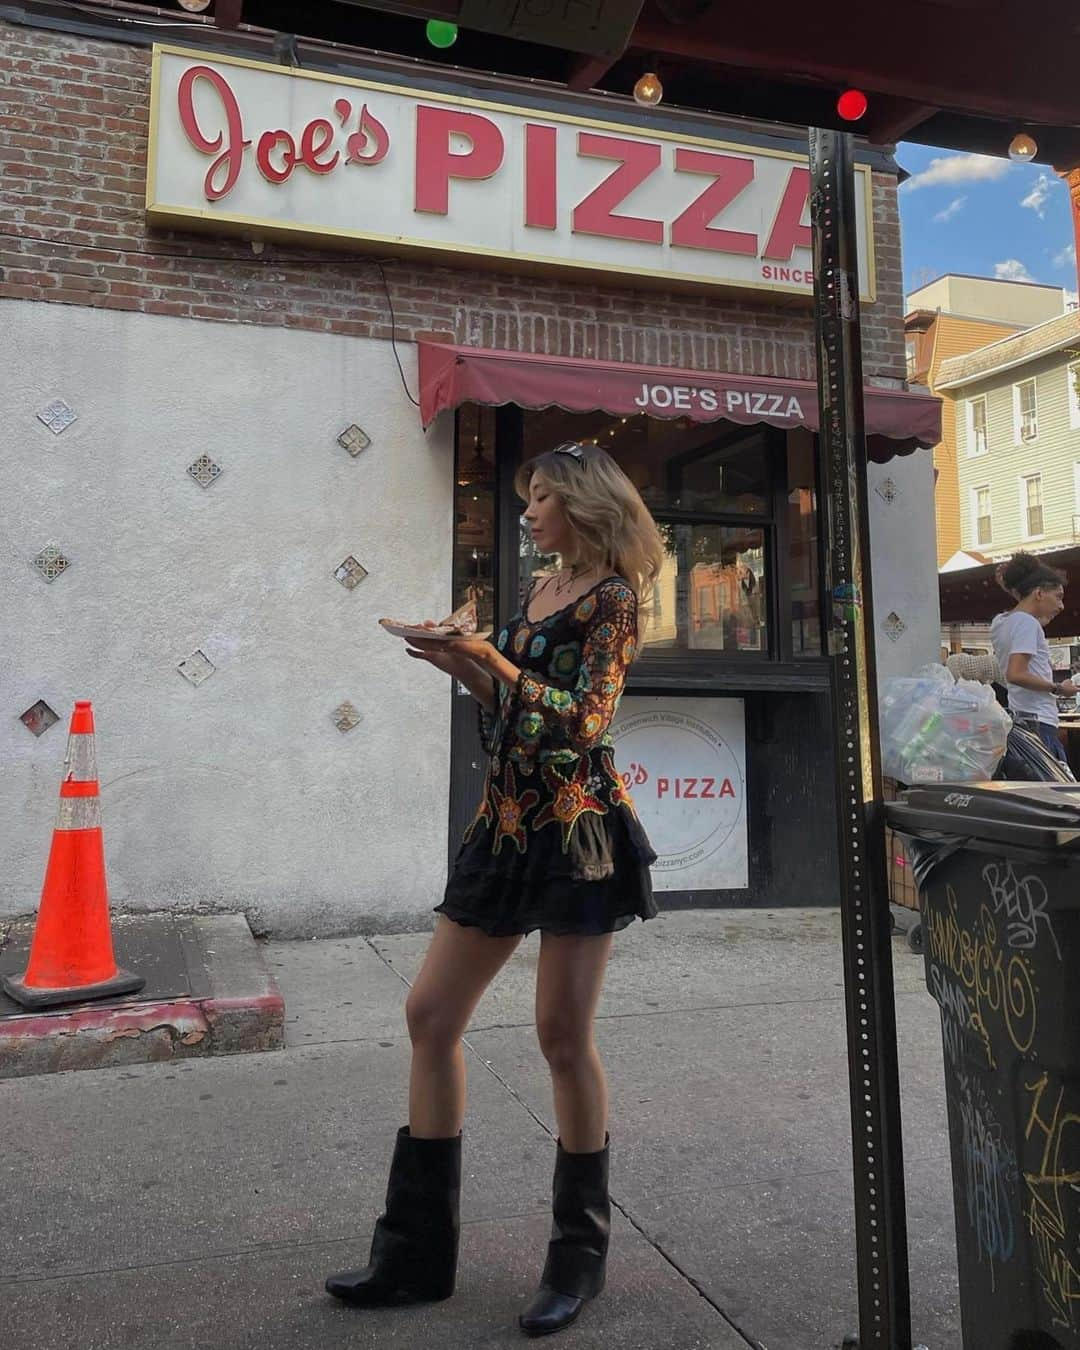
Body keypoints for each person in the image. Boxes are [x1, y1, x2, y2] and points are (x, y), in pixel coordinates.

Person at [326, 440, 664, 1336]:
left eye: (543, 498)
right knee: (431, 1016)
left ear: (585, 507)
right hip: (505, 824)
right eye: (529, 499)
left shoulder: (615, 600)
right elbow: (507, 712)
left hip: (576, 831)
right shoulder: (540, 590)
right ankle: (415, 1255)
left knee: (562, 1036)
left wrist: (494, 659)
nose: (529, 512)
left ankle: (576, 1259)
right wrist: (458, 661)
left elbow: (583, 723)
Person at [990, 552, 1077, 761]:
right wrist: (1058, 688)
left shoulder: (1001, 622)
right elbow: (1016, 673)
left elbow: (1024, 607)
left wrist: (1015, 589)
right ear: (1038, 593)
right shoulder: (1027, 624)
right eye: (1058, 597)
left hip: (1022, 720)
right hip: (1041, 723)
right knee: (1052, 792)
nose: (1061, 606)